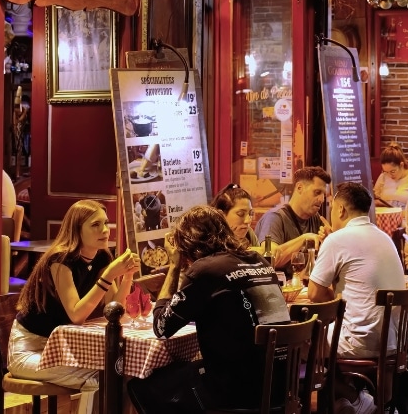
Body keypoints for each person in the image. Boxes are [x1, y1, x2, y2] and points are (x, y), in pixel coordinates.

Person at [135, 206, 289, 413]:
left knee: (142, 386)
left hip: (237, 392)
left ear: (188, 243)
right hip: (280, 385)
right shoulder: (258, 260)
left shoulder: (205, 270)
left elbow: (161, 327)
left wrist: (174, 266)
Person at [10, 200, 139, 414]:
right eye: (95, 225)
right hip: (32, 349)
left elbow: (114, 311)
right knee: (101, 378)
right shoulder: (60, 260)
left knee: (123, 371)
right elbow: (76, 315)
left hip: (63, 347)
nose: (105, 230)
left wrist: (126, 277)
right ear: (77, 230)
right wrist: (108, 275)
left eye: (106, 223)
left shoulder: (102, 257)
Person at [309, 182, 405, 414]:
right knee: (331, 329)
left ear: (341, 209)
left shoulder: (337, 240)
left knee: (299, 342)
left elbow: (313, 293)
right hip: (393, 339)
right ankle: (372, 403)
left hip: (361, 341)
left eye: (332, 207)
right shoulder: (383, 237)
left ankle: (354, 397)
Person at [255, 166, 331, 274]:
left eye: (324, 194)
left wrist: (329, 242)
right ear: (299, 188)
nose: (322, 199)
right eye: (317, 192)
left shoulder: (317, 219)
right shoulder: (275, 217)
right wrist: (303, 239)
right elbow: (271, 259)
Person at [373, 143, 408, 208]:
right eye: (386, 172)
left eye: (392, 171)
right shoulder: (383, 176)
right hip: (385, 216)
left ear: (401, 165)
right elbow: (375, 199)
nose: (389, 175)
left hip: (406, 216)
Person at [211, 183, 261, 249]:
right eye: (241, 214)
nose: (248, 220)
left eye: (250, 214)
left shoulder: (249, 234)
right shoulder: (210, 239)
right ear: (221, 215)